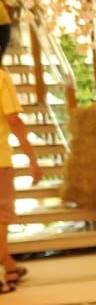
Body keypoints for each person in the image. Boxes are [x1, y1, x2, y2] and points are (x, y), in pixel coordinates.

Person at [0, 60, 41, 291]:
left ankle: (8, 265)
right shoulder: (1, 79)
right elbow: (14, 120)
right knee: (1, 216)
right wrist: (32, 158)